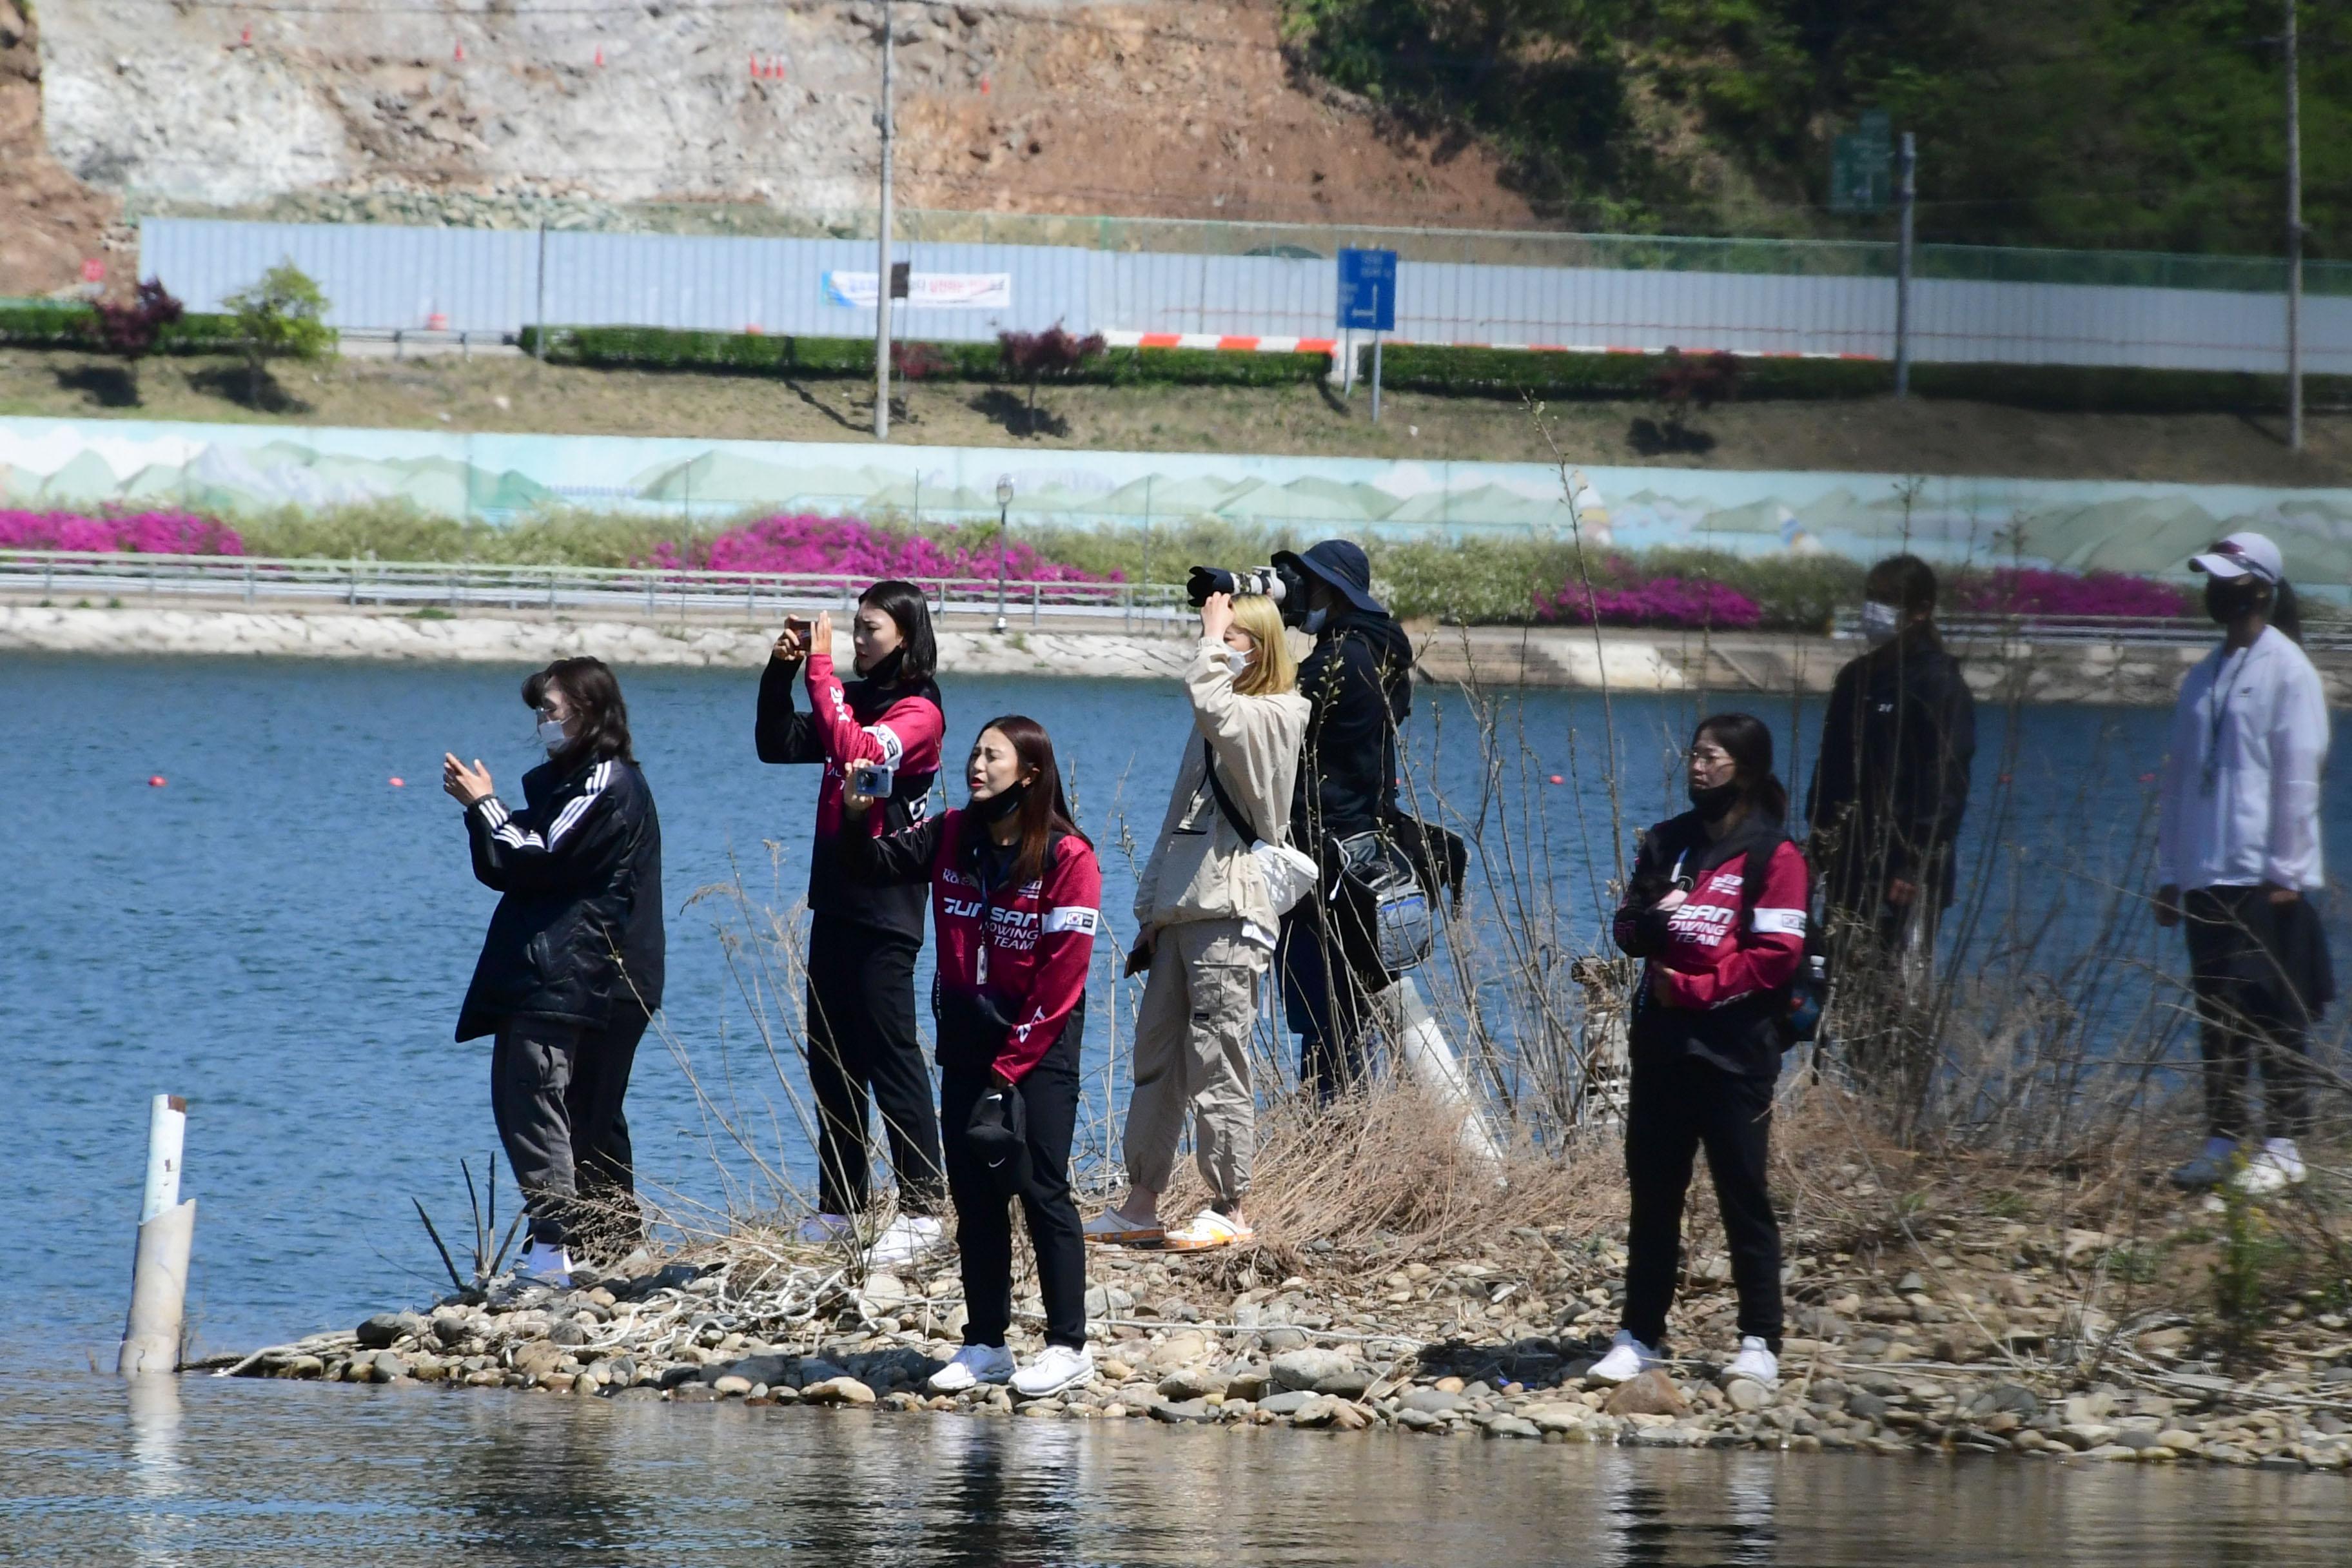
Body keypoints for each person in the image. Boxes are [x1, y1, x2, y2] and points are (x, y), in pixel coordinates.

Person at [839, 716, 1102, 1399]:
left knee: (1042, 1188)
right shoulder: (953, 831)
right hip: (965, 1043)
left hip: (1037, 1047)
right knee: (975, 1196)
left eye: (992, 755)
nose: (975, 764)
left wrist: (1008, 1069)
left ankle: (1069, 1345)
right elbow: (873, 865)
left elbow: (1061, 977)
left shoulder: (1070, 855)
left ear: (1031, 772)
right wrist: (856, 814)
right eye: (974, 752)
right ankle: (986, 1341)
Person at [1087, 590, 1308, 1251]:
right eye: (1220, 633)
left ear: (1262, 650)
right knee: (1156, 1060)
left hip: (1229, 911)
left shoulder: (1277, 714)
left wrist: (1210, 639)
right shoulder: (1214, 720)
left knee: (1218, 1058)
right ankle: (1140, 1202)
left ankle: (1229, 1204)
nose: (1219, 642)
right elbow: (1176, 819)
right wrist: (1150, 912)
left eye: (1236, 636)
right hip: (1183, 912)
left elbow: (1213, 700)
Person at [1596, 713, 1807, 1391]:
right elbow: (1629, 925)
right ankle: (1639, 1335)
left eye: (1711, 757)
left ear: (1743, 769)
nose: (1696, 767)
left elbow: (1776, 956)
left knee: (1743, 1193)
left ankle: (1759, 1339)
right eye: (1692, 755)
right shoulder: (1667, 842)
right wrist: (1652, 922)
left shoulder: (1776, 857)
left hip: (1736, 1052)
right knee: (1655, 1195)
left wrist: (1696, 983)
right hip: (1662, 1047)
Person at [445, 657, 664, 1288]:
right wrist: (484, 813)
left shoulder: (607, 783)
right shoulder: (569, 784)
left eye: (552, 709)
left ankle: (563, 1249)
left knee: (557, 1105)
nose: (542, 721)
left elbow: (539, 855)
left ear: (590, 713)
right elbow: (510, 864)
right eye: (538, 710)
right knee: (573, 1110)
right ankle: (607, 1247)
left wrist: (486, 805)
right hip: (569, 971)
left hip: (594, 973)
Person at [756, 582, 948, 1268]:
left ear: (905, 633)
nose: (859, 639)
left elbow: (860, 750)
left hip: (888, 903)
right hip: (834, 899)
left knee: (891, 1055)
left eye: (871, 629)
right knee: (832, 1058)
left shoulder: (919, 709)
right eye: (855, 629)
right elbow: (777, 744)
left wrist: (822, 667)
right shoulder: (857, 694)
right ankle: (841, 1203)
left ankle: (925, 1205)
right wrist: (784, 668)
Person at [2155, 531, 2333, 1194]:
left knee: (2272, 1007)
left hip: (2264, 874)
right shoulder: (2204, 674)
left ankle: (2285, 1142)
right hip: (2207, 869)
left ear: (2261, 587)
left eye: (2229, 579)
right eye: (2211, 577)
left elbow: (2298, 773)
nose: (2217, 590)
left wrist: (2288, 867)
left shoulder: (2288, 669)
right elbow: (2177, 780)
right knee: (2218, 1009)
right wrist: (2170, 870)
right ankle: (2223, 1136)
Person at [1270, 539, 1415, 1100]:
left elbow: (1272, 730)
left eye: (1305, 583)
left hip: (1322, 862)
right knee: (1346, 1018)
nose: (1298, 594)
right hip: (1361, 852)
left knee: (1325, 1018)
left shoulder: (1338, 660)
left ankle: (1333, 1131)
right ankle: (1346, 1132)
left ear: (1330, 590)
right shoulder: (1379, 653)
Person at [1805, 554, 1977, 958]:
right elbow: (1830, 767)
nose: (1874, 610)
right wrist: (1818, 840)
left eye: (1888, 600)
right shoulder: (1856, 678)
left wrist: (1915, 861)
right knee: (1836, 971)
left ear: (1920, 611)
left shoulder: (1937, 683)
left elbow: (1946, 780)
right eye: (1871, 597)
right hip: (1848, 858)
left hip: (1903, 870)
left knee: (1894, 981)